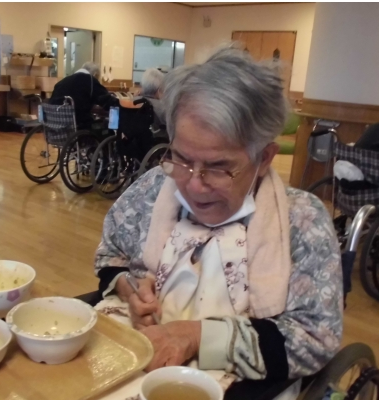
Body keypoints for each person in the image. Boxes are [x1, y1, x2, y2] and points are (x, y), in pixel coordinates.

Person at [94, 46, 343, 382]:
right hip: (141, 357)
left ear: (264, 158)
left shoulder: (302, 221)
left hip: (240, 397)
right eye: (182, 159)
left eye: (218, 167)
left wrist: (195, 335)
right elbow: (111, 255)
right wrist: (132, 292)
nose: (195, 185)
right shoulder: (153, 188)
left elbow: (314, 339)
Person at [48, 61, 112, 129]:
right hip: (76, 125)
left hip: (54, 125)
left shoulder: (61, 83)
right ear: (95, 74)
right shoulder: (90, 80)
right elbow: (107, 100)